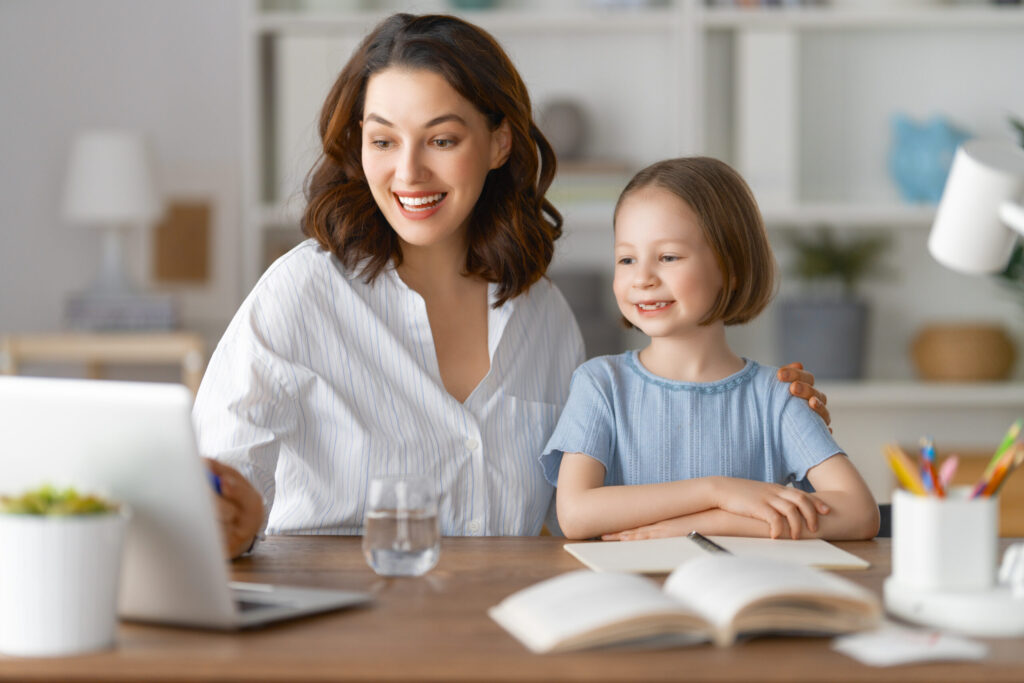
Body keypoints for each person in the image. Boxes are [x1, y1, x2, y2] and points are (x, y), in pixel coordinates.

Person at [194, 14, 832, 559]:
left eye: (442, 138)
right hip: (347, 631)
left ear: (499, 141)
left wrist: (762, 423)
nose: (408, 171)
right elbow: (216, 483)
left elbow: (597, 502)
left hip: (504, 631)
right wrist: (230, 519)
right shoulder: (302, 293)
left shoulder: (543, 314)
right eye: (383, 139)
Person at [542, 157, 880, 542]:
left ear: (730, 268)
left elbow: (859, 513)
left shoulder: (776, 395)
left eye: (668, 257)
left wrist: (703, 524)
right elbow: (575, 513)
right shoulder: (600, 384)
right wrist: (718, 491)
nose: (643, 278)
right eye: (627, 259)